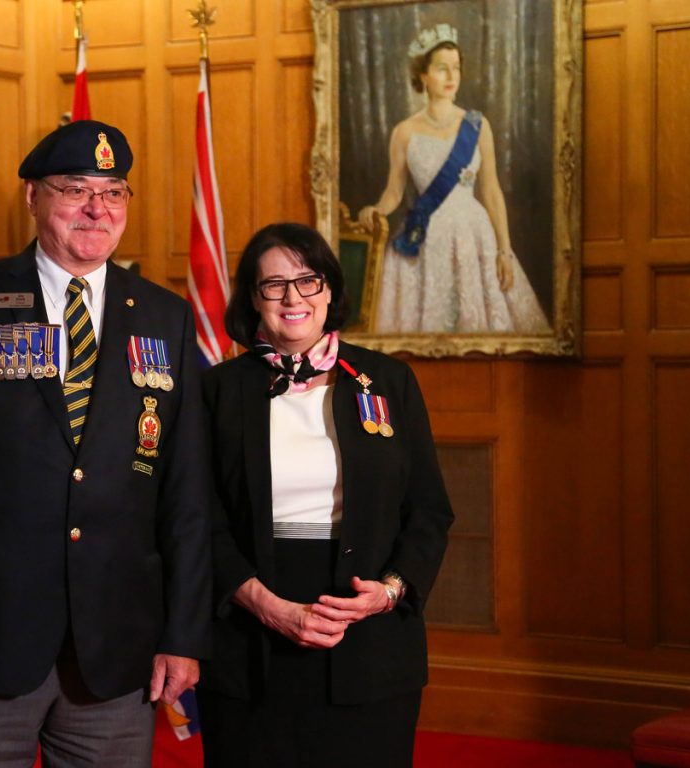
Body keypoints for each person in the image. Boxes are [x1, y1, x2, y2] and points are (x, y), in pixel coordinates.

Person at [0, 119, 213, 767]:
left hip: (116, 651)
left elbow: (186, 496)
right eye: (74, 189)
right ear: (32, 197)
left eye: (114, 192)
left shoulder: (164, 316)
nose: (97, 209)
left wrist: (185, 634)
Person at [196, 222, 454, 767]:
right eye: (274, 284)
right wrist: (264, 605)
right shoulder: (218, 390)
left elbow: (429, 509)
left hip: (370, 635)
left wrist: (388, 592)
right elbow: (197, 518)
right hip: (250, 635)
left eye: (308, 280)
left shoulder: (387, 381)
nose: (293, 298)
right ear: (252, 299)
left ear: (330, 289)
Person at [357, 23, 550, 334]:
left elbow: (490, 191)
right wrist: (375, 209)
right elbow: (394, 192)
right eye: (442, 69)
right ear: (423, 75)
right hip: (424, 239)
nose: (451, 77)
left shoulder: (477, 125)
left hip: (472, 237)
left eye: (456, 69)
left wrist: (503, 249)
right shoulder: (404, 132)